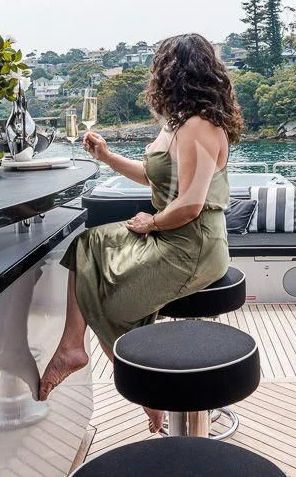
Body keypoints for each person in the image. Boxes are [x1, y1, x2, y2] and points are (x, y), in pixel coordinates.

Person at [38, 33, 243, 432]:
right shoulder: (177, 125)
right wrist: (107, 156)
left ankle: (148, 393)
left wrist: (152, 222)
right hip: (173, 234)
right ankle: (73, 347)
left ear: (172, 74)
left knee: (109, 293)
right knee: (87, 246)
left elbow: (190, 205)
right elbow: (152, 176)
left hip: (192, 246)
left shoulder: (199, 127)